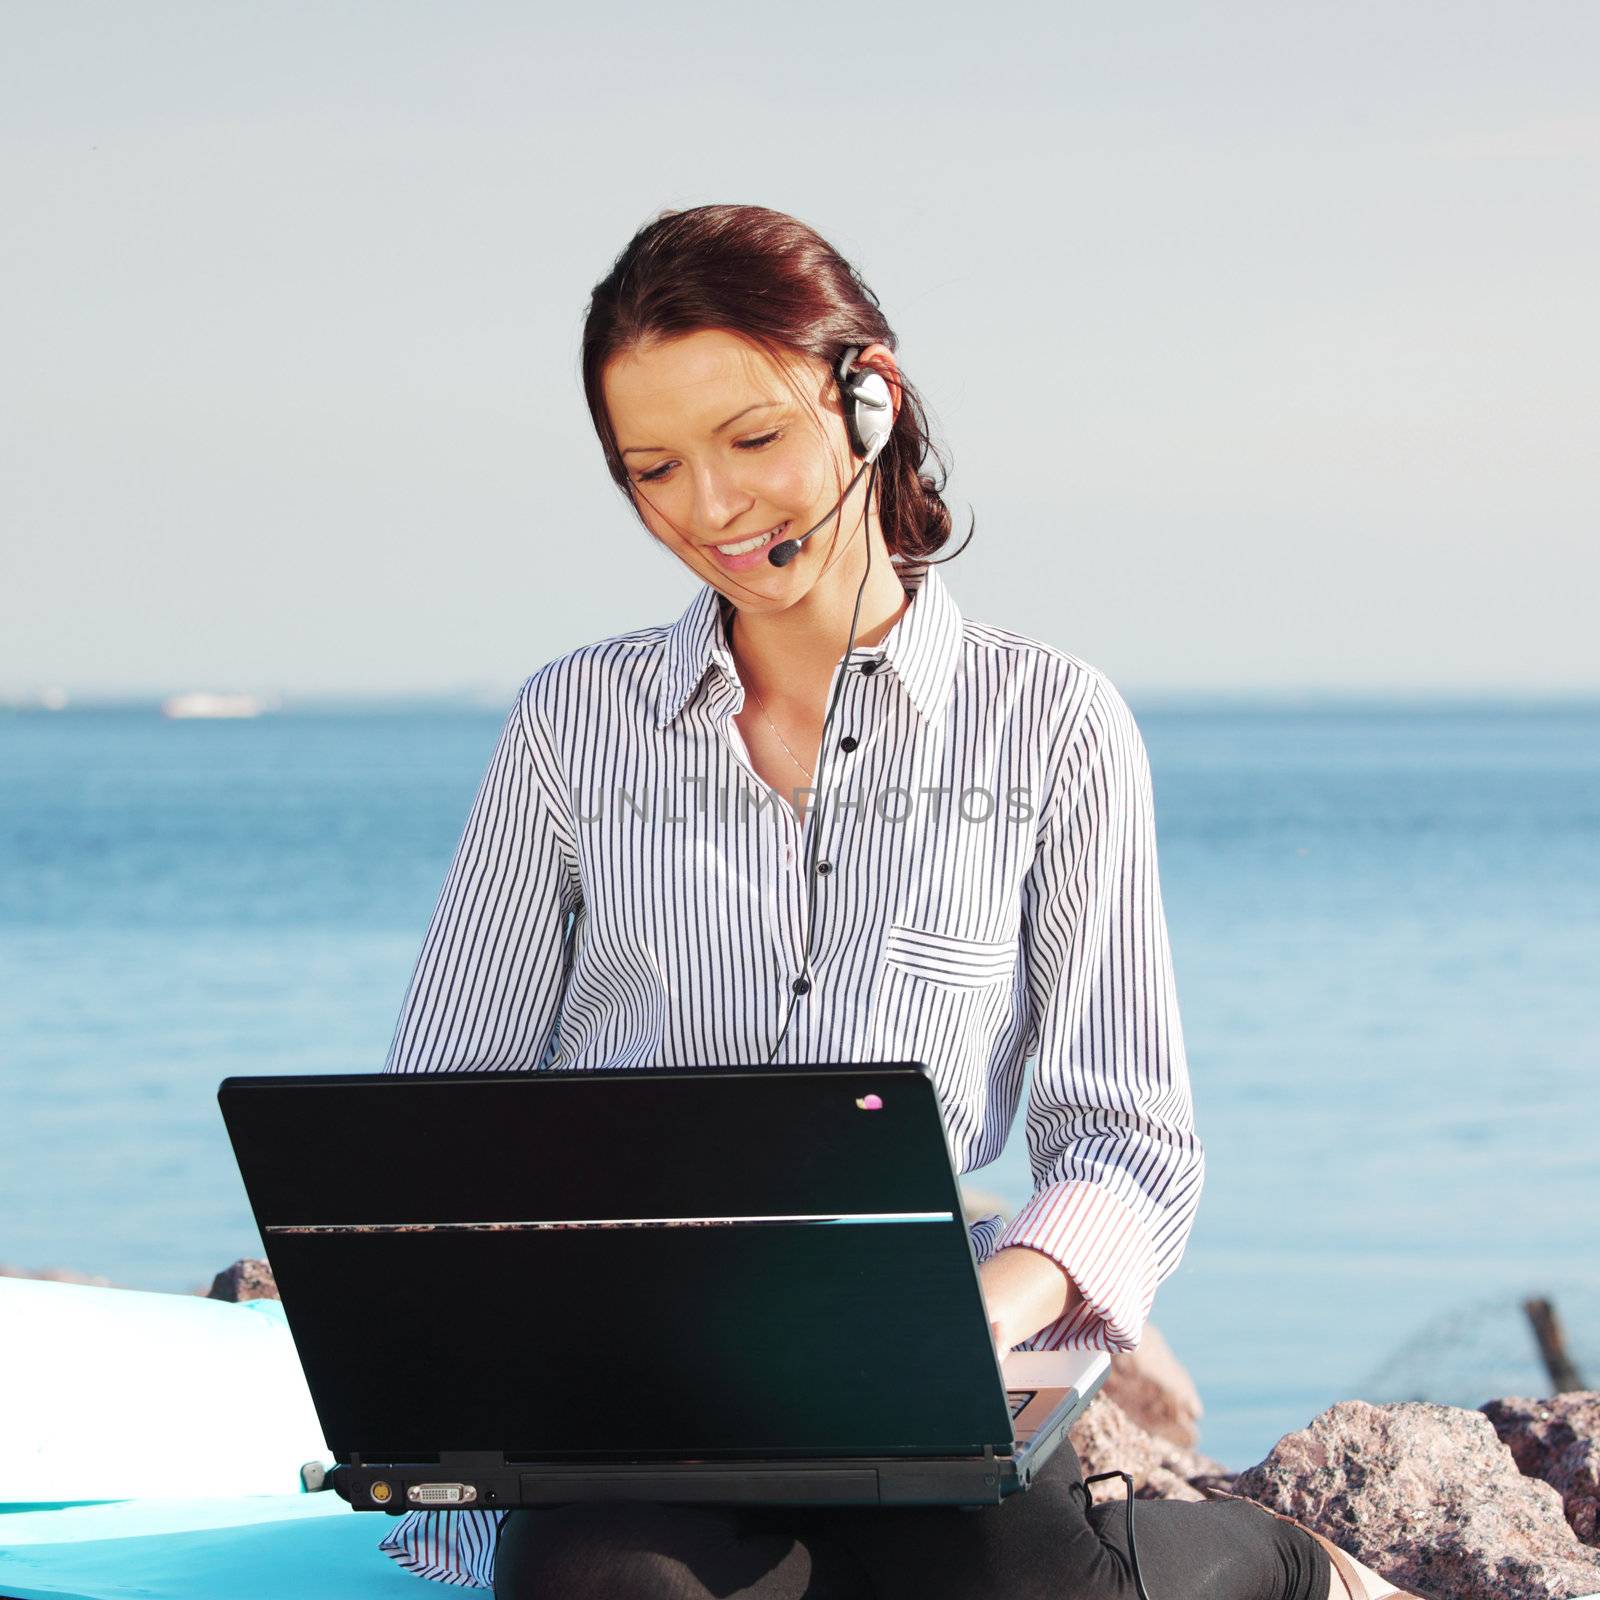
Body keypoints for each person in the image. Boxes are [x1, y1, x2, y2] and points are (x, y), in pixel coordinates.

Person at [374, 205, 1414, 1600]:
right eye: (653, 469)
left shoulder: (1052, 725)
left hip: (936, 1353)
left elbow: (1130, 1142)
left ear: (870, 397)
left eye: (753, 441)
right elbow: (447, 1110)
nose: (713, 510)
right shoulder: (571, 729)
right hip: (641, 1380)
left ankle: (1274, 1564)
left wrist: (991, 1309)